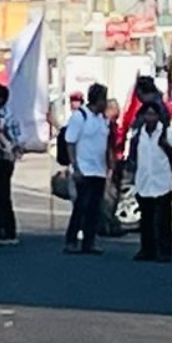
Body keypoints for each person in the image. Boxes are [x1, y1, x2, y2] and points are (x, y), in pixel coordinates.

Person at [128, 101, 172, 262]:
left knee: (164, 218)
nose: (150, 118)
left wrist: (165, 147)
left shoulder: (166, 133)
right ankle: (147, 249)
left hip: (161, 179)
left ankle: (164, 250)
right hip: (144, 180)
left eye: (153, 114)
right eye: (147, 114)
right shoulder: (138, 135)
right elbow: (133, 156)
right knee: (147, 218)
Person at [64, 83, 112, 255]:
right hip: (84, 168)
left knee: (94, 208)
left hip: (99, 170)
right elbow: (70, 142)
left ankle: (89, 241)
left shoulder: (102, 119)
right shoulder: (80, 116)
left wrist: (109, 166)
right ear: (97, 100)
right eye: (103, 100)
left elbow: (106, 145)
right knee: (81, 206)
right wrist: (75, 167)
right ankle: (71, 239)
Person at [0, 84, 23, 245]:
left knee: (2, 195)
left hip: (3, 159)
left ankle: (9, 230)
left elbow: (17, 140)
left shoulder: (8, 117)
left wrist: (10, 148)